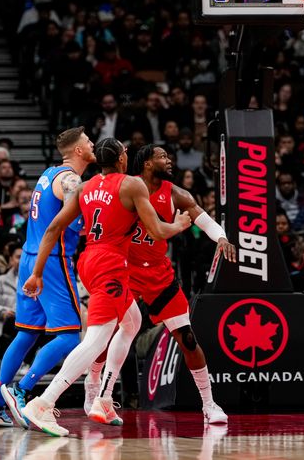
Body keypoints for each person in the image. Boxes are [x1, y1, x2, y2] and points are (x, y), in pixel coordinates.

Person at [20, 138, 191, 436]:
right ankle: (44, 402)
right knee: (97, 339)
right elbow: (157, 231)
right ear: (123, 159)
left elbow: (53, 228)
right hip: (110, 264)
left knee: (132, 322)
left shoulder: (84, 187)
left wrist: (36, 273)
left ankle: (104, 398)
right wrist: (180, 224)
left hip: (88, 259)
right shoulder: (131, 185)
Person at [86, 145, 234, 424]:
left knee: (188, 340)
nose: (169, 160)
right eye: (162, 156)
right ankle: (95, 388)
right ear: (146, 163)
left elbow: (203, 219)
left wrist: (222, 238)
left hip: (157, 273)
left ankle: (209, 404)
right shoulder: (125, 187)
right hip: (124, 270)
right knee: (108, 334)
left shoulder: (176, 193)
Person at [0, 127, 95, 429]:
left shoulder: (48, 173)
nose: (92, 143)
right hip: (51, 262)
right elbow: (68, 227)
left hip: (30, 256)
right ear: (78, 150)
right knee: (70, 336)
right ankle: (22, 390)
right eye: (88, 141)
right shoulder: (73, 180)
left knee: (27, 333)